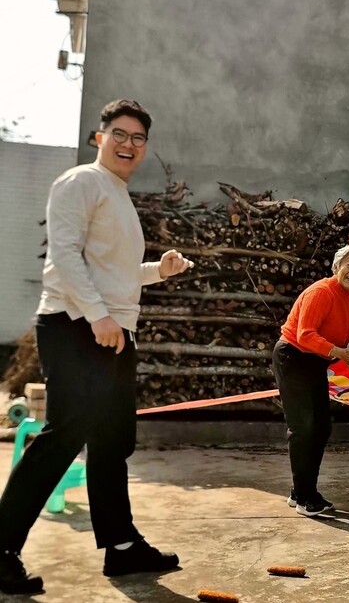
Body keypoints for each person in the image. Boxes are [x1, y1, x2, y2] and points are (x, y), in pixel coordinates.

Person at [0, 99, 193, 595]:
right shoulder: (82, 181)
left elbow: (113, 273)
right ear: (100, 137)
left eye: (138, 138)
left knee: (112, 441)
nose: (129, 144)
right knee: (63, 436)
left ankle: (122, 547)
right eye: (119, 134)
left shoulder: (117, 193)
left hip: (109, 330)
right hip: (76, 326)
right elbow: (64, 256)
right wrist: (98, 317)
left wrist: (158, 271)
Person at [272, 243, 349, 517]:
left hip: (315, 362)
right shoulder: (321, 292)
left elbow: (342, 345)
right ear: (337, 266)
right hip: (293, 357)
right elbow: (305, 335)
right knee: (303, 427)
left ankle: (302, 492)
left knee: (321, 428)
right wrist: (340, 353)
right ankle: (305, 498)